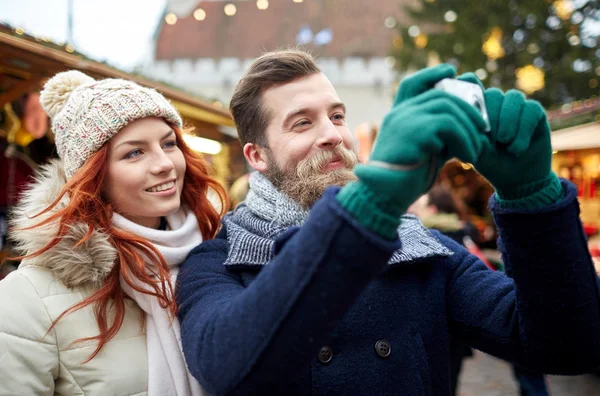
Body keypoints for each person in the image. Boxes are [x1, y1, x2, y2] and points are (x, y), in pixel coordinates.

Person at [176, 50, 600, 396]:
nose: (332, 135)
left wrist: (531, 197)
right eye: (303, 122)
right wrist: (375, 200)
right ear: (256, 156)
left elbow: (565, 349)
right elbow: (228, 366)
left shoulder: (420, 248)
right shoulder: (216, 260)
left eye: (337, 116)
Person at [0, 70, 227, 395]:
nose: (164, 163)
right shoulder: (29, 297)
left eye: (169, 143)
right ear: (93, 176)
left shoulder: (217, 257)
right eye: (134, 152)